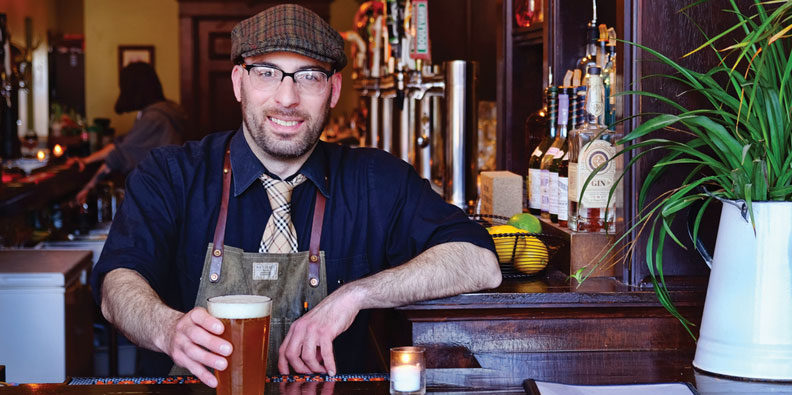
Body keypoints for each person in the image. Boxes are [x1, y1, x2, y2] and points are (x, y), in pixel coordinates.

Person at [90, 3, 501, 387]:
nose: (287, 99)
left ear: (334, 90)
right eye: (266, 73)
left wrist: (356, 294)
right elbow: (117, 285)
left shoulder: (376, 179)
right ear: (239, 82)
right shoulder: (171, 174)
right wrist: (167, 328)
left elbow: (480, 262)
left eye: (309, 76)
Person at [70, 61, 187, 204]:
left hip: (163, 195)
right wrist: (86, 161)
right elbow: (122, 143)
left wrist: (88, 187)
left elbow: (120, 155)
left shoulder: (154, 118)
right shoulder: (165, 110)